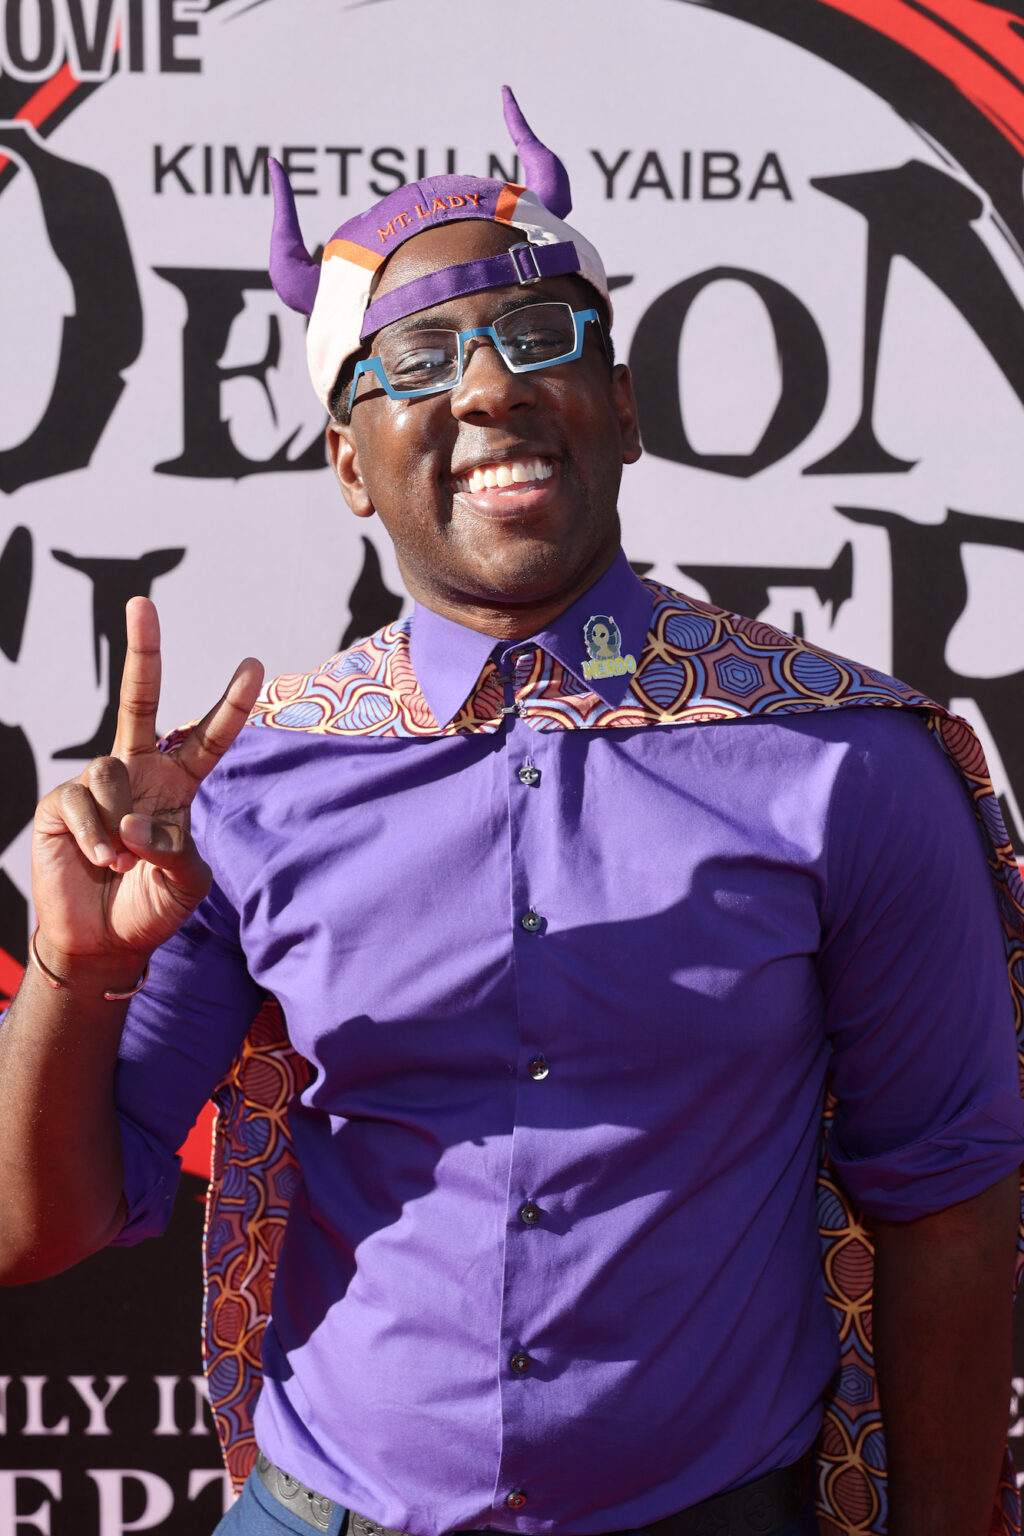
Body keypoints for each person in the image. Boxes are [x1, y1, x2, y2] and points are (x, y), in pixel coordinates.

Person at [1, 88, 1022, 1536]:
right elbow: (33, 1234)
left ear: (623, 409)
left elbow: (950, 1204)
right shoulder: (246, 791)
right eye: (416, 361)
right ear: (350, 464)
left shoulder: (843, 760)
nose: (487, 390)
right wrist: (78, 974)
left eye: (540, 337)